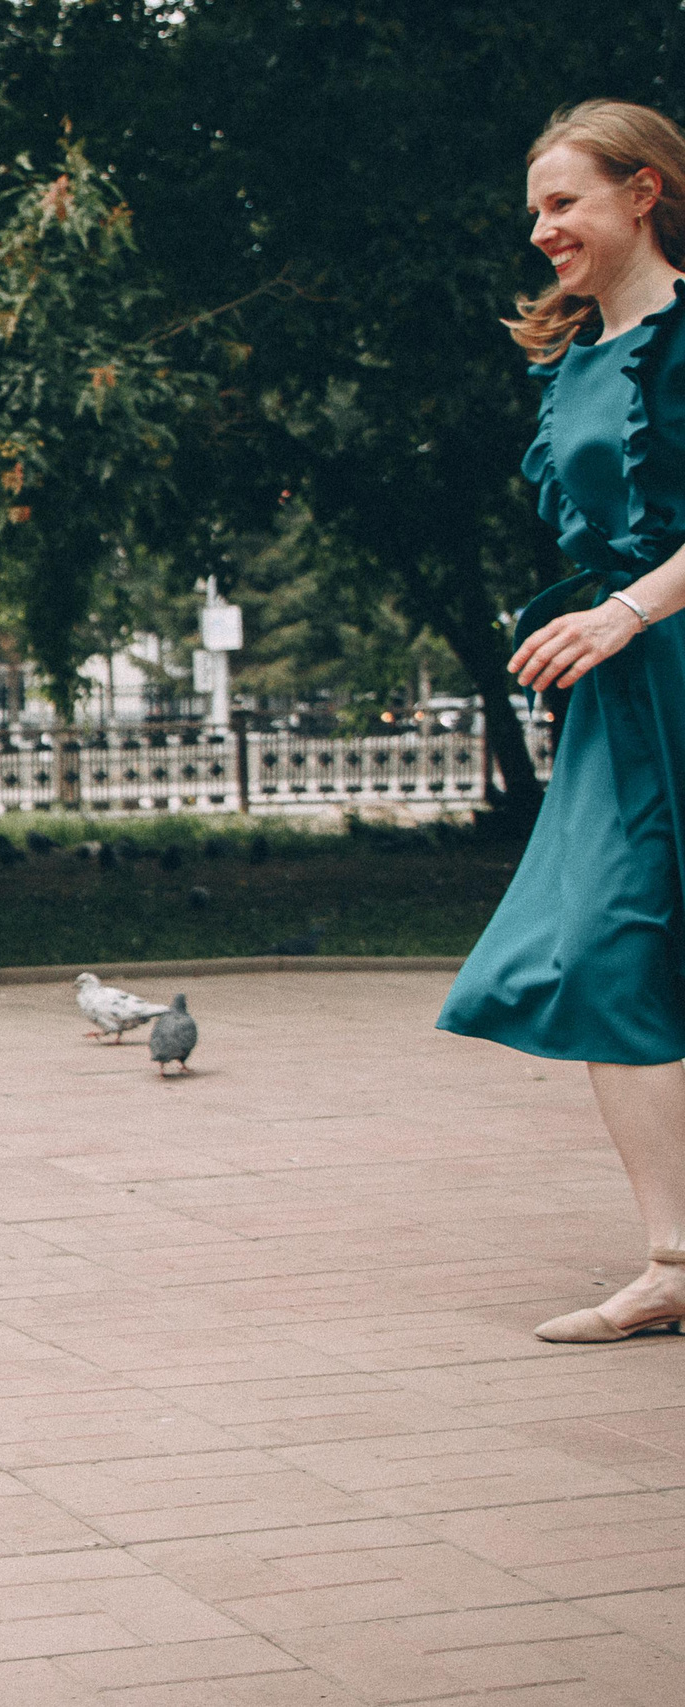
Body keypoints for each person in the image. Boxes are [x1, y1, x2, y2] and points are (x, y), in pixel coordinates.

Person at [437, 99, 685, 1343]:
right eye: (534, 209)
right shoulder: (577, 356)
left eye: (562, 201)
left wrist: (628, 612)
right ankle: (675, 1261)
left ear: (643, 193)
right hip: (626, 693)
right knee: (603, 955)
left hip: (660, 651)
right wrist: (604, 626)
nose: (541, 229)